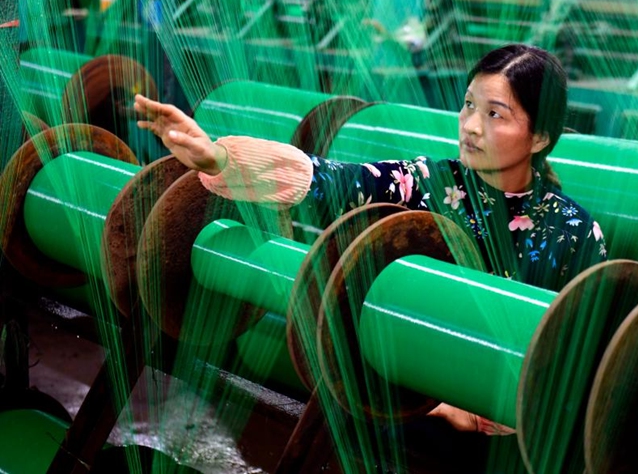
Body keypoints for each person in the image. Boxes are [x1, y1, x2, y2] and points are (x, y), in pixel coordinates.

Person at [134, 44, 607, 435]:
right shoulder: (428, 184)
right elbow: (334, 182)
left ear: (540, 136)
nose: (471, 125)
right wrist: (217, 158)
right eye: (468, 105)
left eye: (495, 114)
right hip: (409, 409)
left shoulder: (573, 232)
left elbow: (575, 351)